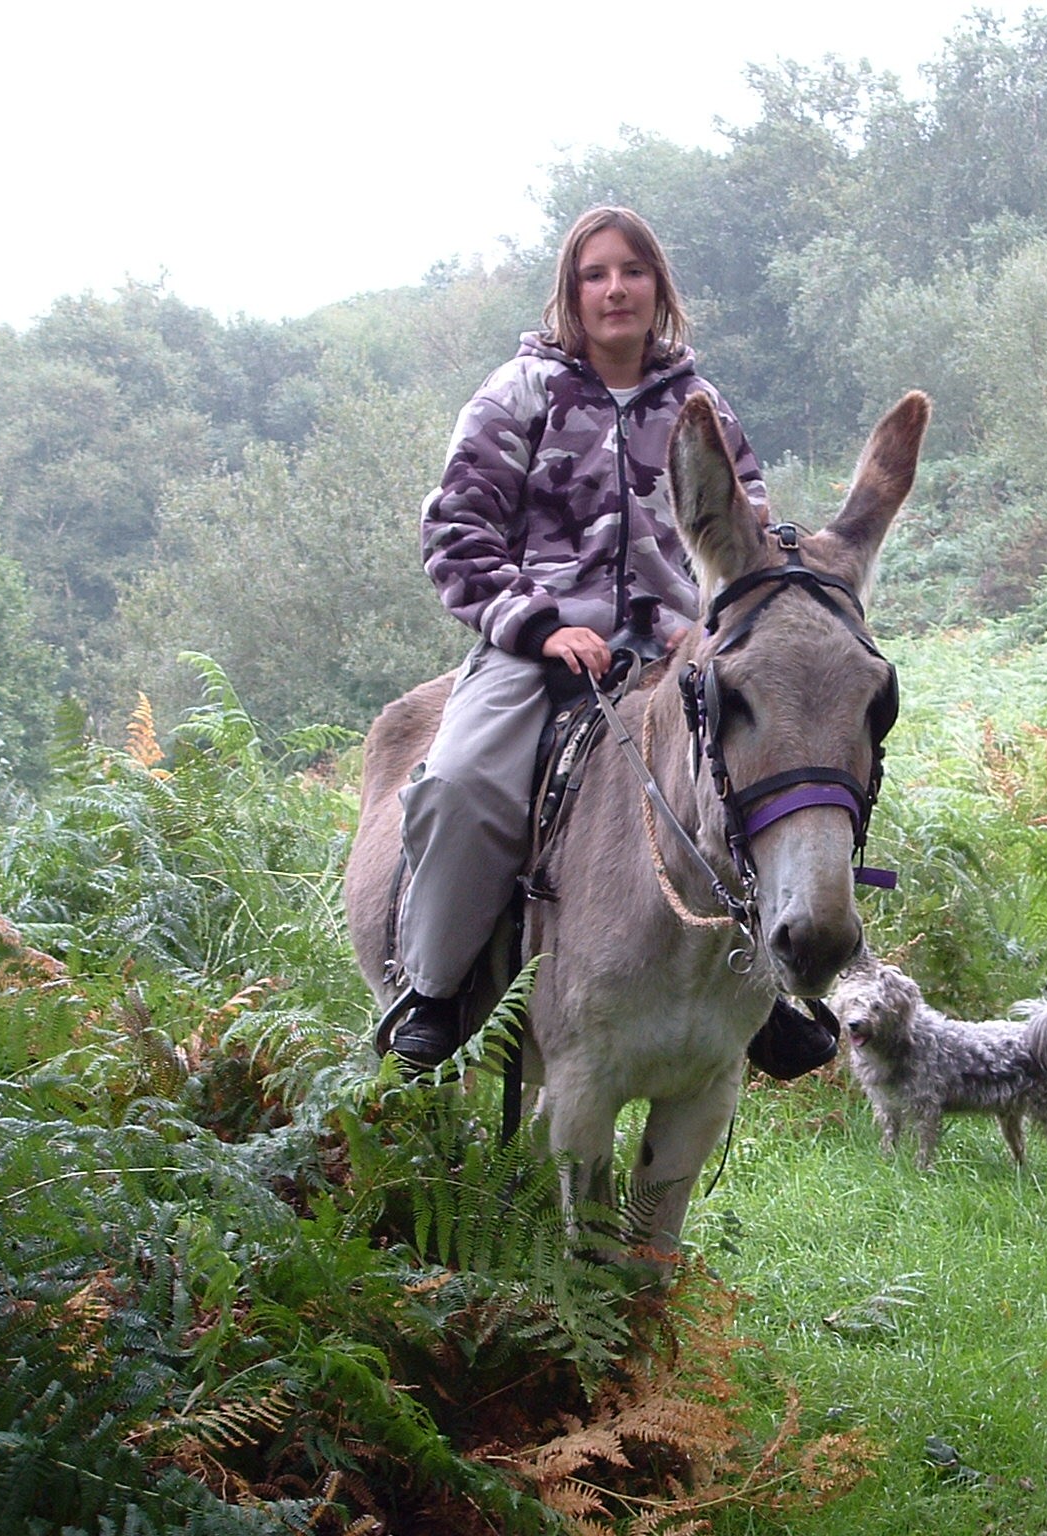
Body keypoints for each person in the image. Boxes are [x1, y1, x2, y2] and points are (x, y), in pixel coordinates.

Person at [377, 205, 832, 1078]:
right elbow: (456, 535)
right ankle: (433, 992)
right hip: (536, 648)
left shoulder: (703, 412)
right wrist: (541, 626)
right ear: (571, 293)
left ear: (659, 287)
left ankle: (762, 987)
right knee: (462, 782)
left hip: (675, 651)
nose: (615, 288)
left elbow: (746, 535)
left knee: (757, 771)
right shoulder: (519, 393)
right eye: (595, 274)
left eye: (632, 270)